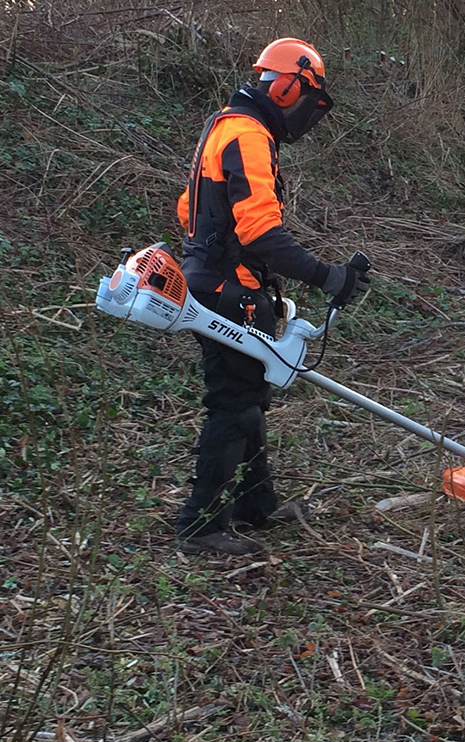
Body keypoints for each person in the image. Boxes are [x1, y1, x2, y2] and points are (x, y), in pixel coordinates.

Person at [173, 38, 370, 556]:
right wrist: (330, 277)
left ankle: (255, 505)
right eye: (304, 96)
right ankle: (199, 525)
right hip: (224, 288)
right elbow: (262, 232)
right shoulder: (247, 135)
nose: (306, 110)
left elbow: (188, 208)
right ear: (286, 87)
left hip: (224, 281)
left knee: (252, 391)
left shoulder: (226, 128)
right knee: (234, 401)